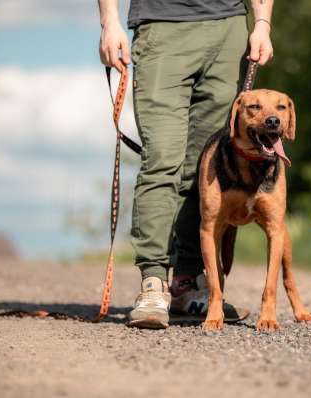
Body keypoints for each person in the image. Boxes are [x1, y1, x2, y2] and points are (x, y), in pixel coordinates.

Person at [98, 0, 275, 328]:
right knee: (162, 159)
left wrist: (262, 21)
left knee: (208, 166)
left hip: (229, 29)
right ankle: (153, 282)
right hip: (162, 27)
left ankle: (188, 283)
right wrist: (110, 22)